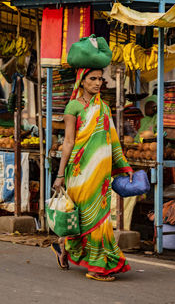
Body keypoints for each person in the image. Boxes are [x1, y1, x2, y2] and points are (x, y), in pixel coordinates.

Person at [52, 68, 133, 281]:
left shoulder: (104, 107)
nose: (98, 83)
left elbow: (113, 139)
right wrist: (60, 175)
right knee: (85, 217)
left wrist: (124, 165)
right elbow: (68, 141)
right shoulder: (74, 106)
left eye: (100, 79)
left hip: (101, 175)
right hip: (80, 172)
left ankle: (66, 247)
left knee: (100, 218)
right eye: (92, 79)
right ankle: (96, 266)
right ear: (82, 81)